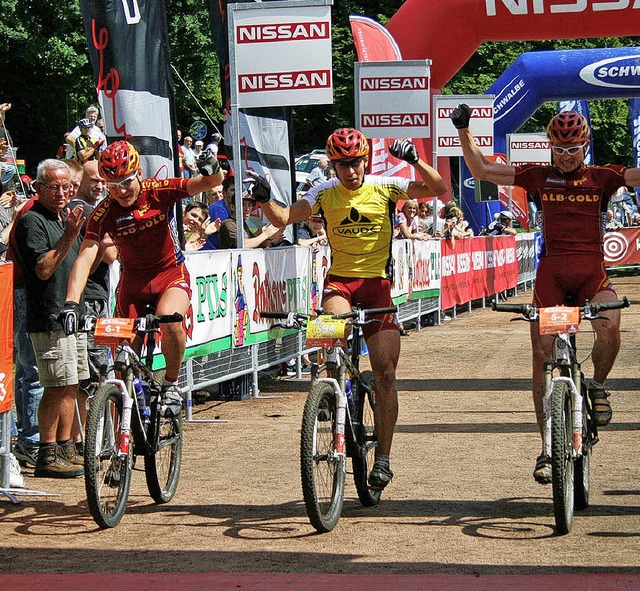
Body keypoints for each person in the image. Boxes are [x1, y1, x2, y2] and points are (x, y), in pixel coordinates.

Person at [451, 104, 640, 484]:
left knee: (610, 324)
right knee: (542, 360)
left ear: (585, 146)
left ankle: (598, 387)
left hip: (592, 275)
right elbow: (483, 170)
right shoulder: (537, 175)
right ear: (550, 147)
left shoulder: (603, 176)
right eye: (560, 149)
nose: (567, 157)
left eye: (574, 149)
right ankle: (546, 448)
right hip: (551, 277)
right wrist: (463, 129)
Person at [256, 127, 446, 491]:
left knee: (386, 374)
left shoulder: (385, 187)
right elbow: (282, 220)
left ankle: (385, 459)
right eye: (342, 164)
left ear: (366, 160)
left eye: (355, 162)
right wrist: (265, 200)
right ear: (333, 165)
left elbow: (437, 189)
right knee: (329, 330)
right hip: (340, 282)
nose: (350, 171)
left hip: (377, 287)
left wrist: (414, 160)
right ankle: (328, 387)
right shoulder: (323, 193)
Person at [63, 140, 224, 418]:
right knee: (123, 359)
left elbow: (209, 182)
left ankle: (172, 383)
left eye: (125, 182)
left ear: (138, 173)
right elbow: (85, 257)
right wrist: (71, 303)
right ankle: (123, 428)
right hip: (133, 283)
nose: (120, 191)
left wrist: (214, 168)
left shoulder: (158, 191)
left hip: (170, 273)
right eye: (111, 185)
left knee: (170, 317)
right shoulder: (105, 211)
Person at [13, 159, 88, 478]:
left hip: (71, 315)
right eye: (54, 187)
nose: (62, 192)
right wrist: (70, 235)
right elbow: (43, 269)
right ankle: (46, 453)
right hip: (48, 316)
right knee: (54, 386)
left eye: (67, 186)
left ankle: (65, 447)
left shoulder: (64, 218)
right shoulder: (33, 220)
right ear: (39, 188)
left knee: (72, 384)